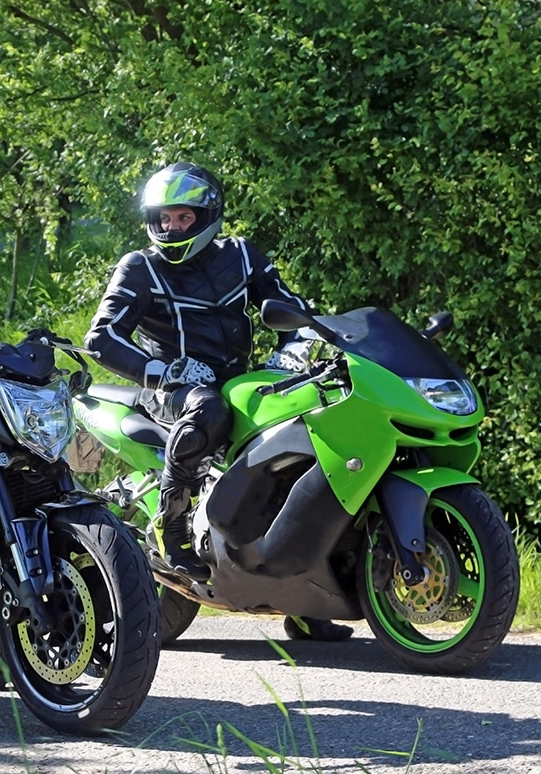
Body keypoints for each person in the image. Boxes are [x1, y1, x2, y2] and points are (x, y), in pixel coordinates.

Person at [83, 161, 353, 644]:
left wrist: (293, 348)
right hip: (171, 388)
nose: (171, 227)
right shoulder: (140, 267)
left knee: (311, 435)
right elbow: (101, 338)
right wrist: (163, 371)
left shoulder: (243, 256)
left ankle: (308, 594)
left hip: (241, 380)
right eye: (163, 218)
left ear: (208, 216)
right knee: (209, 410)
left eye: (183, 217)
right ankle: (172, 526)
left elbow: (290, 307)